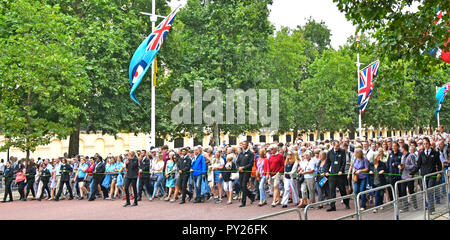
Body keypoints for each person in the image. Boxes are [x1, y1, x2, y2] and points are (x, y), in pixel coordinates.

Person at [410, 137, 442, 214]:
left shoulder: (435, 153)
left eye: (426, 143)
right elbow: (418, 165)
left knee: (430, 191)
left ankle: (431, 209)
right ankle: (430, 207)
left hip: (432, 175)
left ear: (429, 144)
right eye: (424, 144)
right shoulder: (421, 154)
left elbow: (439, 164)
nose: (425, 145)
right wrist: (412, 173)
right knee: (426, 191)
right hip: (424, 176)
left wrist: (439, 173)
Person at [324, 141, 350, 211]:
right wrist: (326, 171)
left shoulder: (342, 151)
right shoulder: (330, 152)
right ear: (333, 145)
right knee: (332, 191)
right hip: (332, 174)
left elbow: (343, 162)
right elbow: (327, 163)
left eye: (338, 146)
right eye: (336, 146)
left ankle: (346, 203)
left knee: (342, 190)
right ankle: (332, 206)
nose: (338, 147)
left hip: (340, 175)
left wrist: (341, 170)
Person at [398, 144, 418, 212]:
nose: (400, 149)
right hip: (403, 177)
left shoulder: (411, 156)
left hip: (409, 177)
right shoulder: (402, 156)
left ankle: (415, 206)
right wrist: (400, 168)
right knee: (403, 192)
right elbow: (402, 166)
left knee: (411, 191)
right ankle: (405, 207)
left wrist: (405, 166)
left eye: (401, 147)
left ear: (404, 148)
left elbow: (414, 166)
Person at [236, 141, 255, 207]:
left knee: (244, 185)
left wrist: (243, 167)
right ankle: (251, 196)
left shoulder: (251, 153)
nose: (243, 145)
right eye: (242, 144)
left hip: (247, 172)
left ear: (247, 145)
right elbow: (237, 162)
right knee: (241, 186)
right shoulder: (240, 153)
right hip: (240, 171)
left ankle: (243, 202)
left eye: (244, 144)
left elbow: (251, 164)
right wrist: (239, 167)